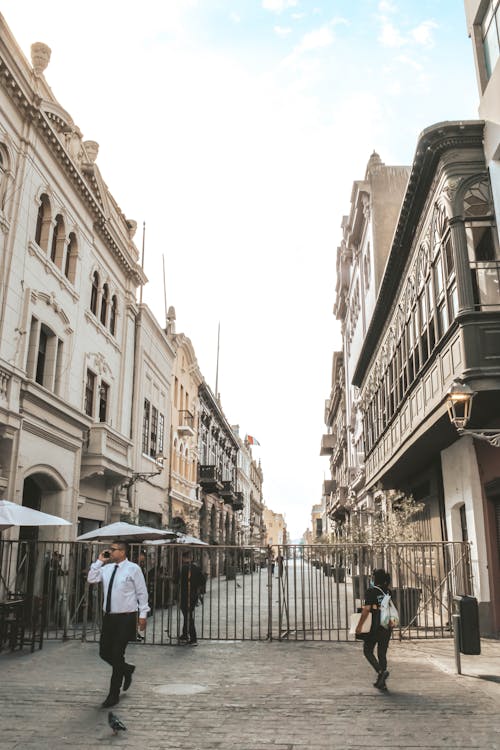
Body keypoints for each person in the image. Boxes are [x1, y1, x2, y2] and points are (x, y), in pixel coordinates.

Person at [87, 540, 150, 708]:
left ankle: (113, 694)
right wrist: (100, 560)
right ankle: (126, 669)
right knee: (103, 652)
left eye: (113, 550)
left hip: (126, 617)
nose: (110, 552)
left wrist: (143, 615)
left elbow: (142, 593)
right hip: (109, 617)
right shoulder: (106, 569)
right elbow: (91, 578)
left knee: (116, 654)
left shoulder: (133, 569)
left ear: (122, 552)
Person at [356, 568, 393, 691]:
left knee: (367, 651)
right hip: (386, 626)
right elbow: (385, 607)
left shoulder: (371, 591)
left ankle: (380, 672)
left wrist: (359, 625)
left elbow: (366, 610)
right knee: (382, 653)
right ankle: (381, 682)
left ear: (375, 579)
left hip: (374, 626)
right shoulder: (387, 591)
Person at [176, 550, 205, 646]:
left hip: (184, 595)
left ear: (183, 558)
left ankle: (193, 638)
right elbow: (203, 580)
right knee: (187, 615)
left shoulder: (181, 568)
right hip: (193, 595)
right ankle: (185, 634)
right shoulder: (196, 568)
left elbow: (175, 580)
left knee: (188, 616)